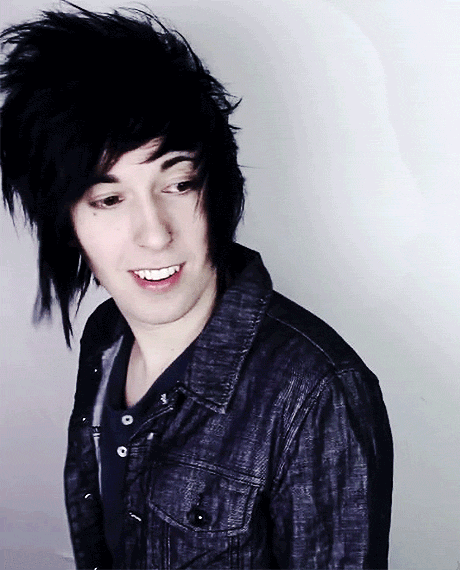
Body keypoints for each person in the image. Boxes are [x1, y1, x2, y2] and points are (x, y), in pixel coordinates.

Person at [0, 5, 393, 569]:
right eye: (109, 199)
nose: (155, 234)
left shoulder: (315, 391)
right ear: (67, 223)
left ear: (217, 189)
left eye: (180, 184)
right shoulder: (106, 337)